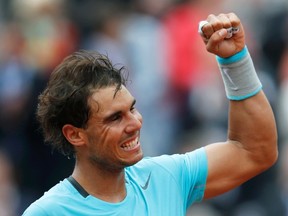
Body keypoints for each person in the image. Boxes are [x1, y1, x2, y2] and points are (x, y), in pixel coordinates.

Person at [22, 12, 278, 215]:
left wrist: (235, 61)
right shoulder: (48, 212)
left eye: (132, 108)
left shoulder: (166, 177)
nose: (135, 123)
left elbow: (254, 151)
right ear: (75, 134)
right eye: (115, 117)